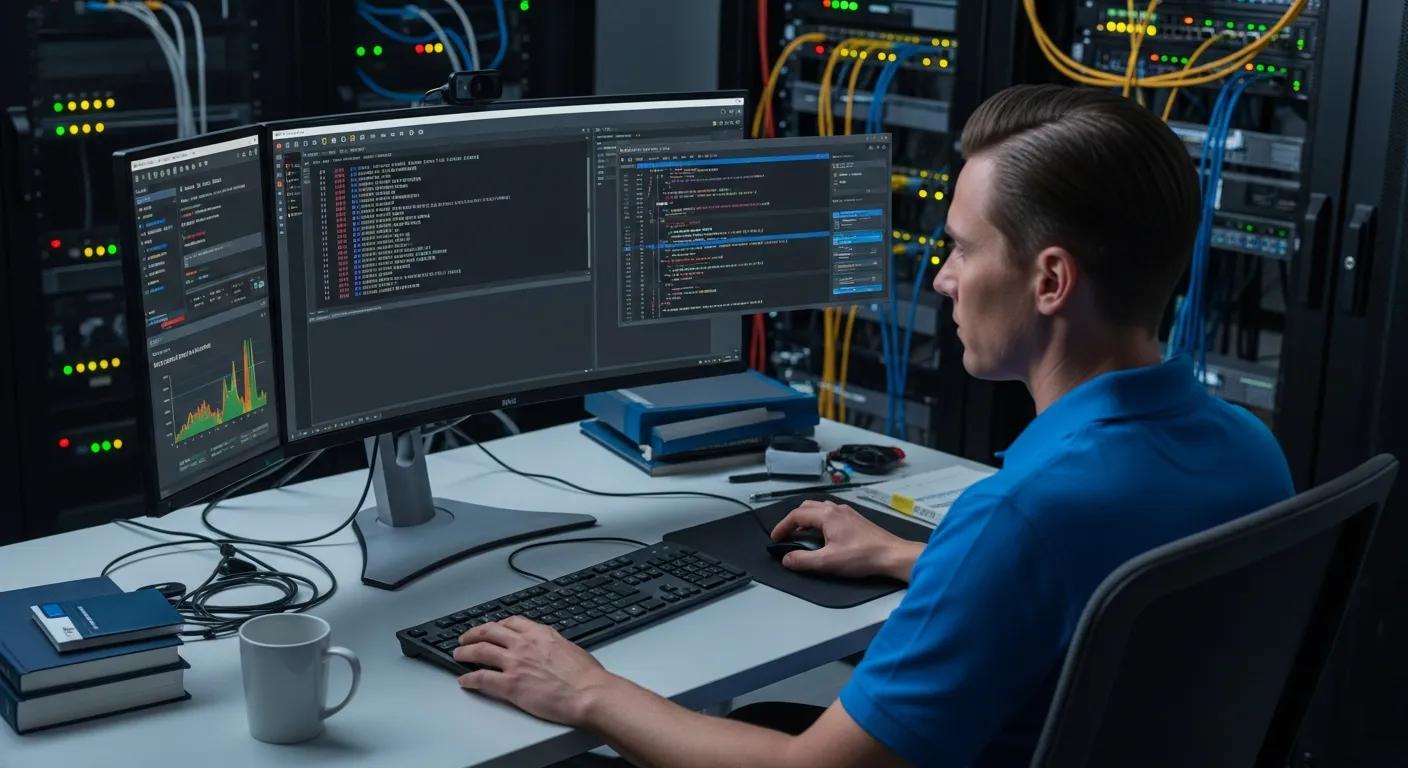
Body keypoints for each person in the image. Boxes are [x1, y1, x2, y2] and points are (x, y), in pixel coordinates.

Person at [450, 83, 1295, 767]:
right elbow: (1099, 597)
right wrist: (907, 556)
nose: (942, 281)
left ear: (1050, 281)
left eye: (963, 249)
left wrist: (587, 691)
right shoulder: (1249, 454)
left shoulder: (1022, 517)